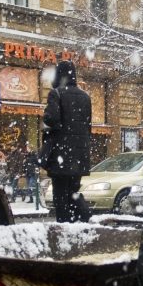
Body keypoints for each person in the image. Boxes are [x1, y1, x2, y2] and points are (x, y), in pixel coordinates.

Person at [41, 60, 92, 223]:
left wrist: (49, 120)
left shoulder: (56, 93)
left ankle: (64, 225)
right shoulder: (85, 96)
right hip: (79, 154)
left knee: (60, 195)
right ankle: (81, 218)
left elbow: (51, 118)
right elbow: (87, 126)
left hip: (61, 153)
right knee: (73, 191)